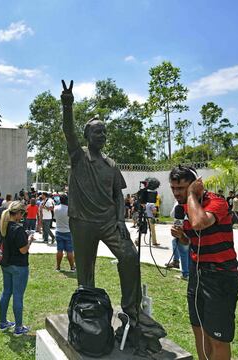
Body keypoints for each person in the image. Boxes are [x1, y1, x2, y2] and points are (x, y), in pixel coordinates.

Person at [61, 80, 142, 326]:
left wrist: (120, 221)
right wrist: (67, 105)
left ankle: (131, 312)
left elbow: (118, 196)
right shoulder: (79, 157)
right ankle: (87, 315)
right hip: (83, 222)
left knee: (129, 257)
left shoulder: (111, 165)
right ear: (87, 136)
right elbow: (68, 132)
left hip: (109, 221)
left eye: (105, 132)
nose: (102, 135)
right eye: (97, 131)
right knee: (85, 274)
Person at [169, 166, 238, 360]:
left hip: (220, 275)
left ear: (195, 185)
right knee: (199, 331)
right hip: (197, 273)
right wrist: (182, 236)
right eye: (173, 188)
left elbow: (200, 223)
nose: (177, 193)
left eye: (181, 188)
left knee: (218, 338)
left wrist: (191, 194)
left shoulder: (216, 201)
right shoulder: (183, 207)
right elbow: (192, 240)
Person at [0, 201, 34, 336]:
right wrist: (29, 239)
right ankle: (18, 328)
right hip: (19, 266)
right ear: (18, 213)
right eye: (23, 213)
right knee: (18, 295)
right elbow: (23, 250)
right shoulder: (18, 230)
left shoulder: (2, 226)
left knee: (6, 292)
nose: (23, 215)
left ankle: (3, 322)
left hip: (5, 264)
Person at [165, 201, 190, 280]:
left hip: (181, 229)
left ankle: (185, 274)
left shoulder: (178, 203)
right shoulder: (195, 202)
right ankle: (176, 262)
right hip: (191, 229)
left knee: (183, 252)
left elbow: (172, 214)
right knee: (187, 251)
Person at [53, 194, 75, 272]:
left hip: (58, 231)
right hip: (68, 231)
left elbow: (55, 219)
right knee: (69, 251)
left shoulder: (56, 208)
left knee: (59, 250)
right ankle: (72, 267)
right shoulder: (70, 209)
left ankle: (58, 267)